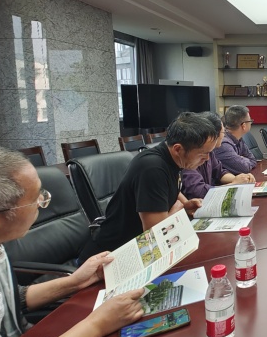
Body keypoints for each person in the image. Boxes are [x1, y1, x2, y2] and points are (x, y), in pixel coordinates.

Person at [0, 145, 144, 337]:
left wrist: (74, 282)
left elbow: (9, 298)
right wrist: (97, 324)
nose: (43, 201)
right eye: (35, 198)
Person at [79, 112, 219, 263]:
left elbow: (172, 189)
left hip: (136, 249)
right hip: (112, 258)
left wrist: (185, 205)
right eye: (203, 154)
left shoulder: (172, 159)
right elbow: (155, 234)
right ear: (178, 149)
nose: (207, 159)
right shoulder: (152, 169)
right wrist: (178, 211)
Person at [181, 111, 255, 200]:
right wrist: (234, 184)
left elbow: (220, 172)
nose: (225, 136)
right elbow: (198, 191)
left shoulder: (210, 152)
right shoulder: (189, 155)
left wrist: (240, 179)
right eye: (223, 132)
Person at [213, 106, 257, 175]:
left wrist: (241, 159)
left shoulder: (239, 139)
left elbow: (253, 160)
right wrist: (242, 159)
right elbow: (244, 168)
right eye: (250, 121)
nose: (251, 123)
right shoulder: (223, 144)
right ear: (244, 126)